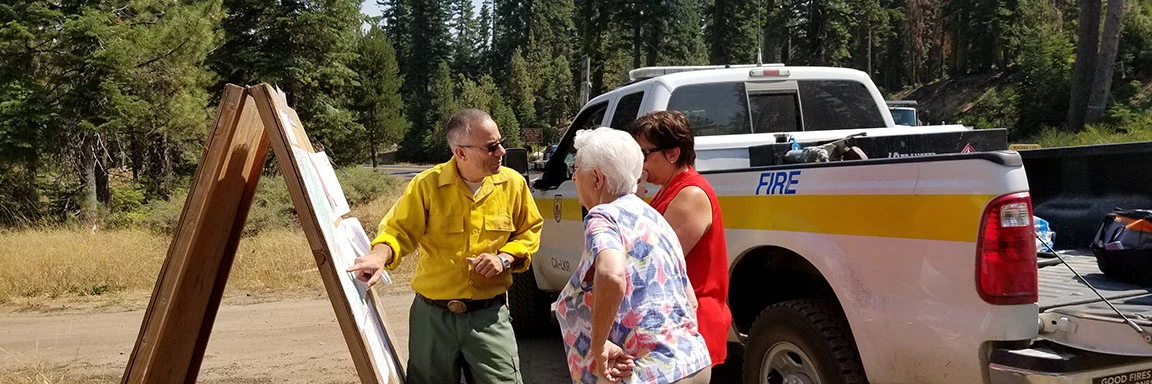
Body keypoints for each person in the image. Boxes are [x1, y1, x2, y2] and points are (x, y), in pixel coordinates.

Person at [347, 109, 544, 384]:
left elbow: (529, 230)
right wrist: (379, 256)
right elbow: (397, 230)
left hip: (489, 317)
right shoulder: (427, 185)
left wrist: (505, 258)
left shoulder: (513, 184)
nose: (501, 151)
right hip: (432, 320)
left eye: (501, 142)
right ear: (460, 153)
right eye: (491, 147)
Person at [556, 127, 711, 384]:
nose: (574, 179)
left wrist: (598, 347)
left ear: (596, 178)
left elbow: (611, 275)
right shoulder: (652, 217)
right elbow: (689, 300)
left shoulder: (603, 216)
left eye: (576, 170)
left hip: (646, 373)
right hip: (690, 362)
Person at [629, 111, 733, 369]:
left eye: (644, 154)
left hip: (693, 323)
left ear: (672, 154)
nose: (639, 163)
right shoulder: (669, 188)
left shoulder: (690, 194)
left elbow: (653, 262)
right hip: (678, 321)